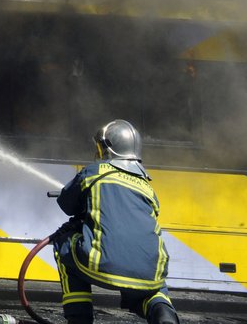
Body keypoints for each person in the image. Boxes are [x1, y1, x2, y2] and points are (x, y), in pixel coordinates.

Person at [52, 119, 179, 324]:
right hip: (150, 271)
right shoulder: (147, 187)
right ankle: (163, 313)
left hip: (102, 263)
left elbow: (67, 205)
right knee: (153, 288)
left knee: (63, 243)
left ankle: (79, 318)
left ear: (108, 149)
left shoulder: (94, 171)